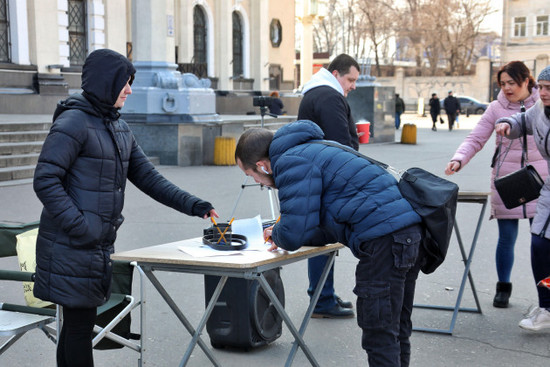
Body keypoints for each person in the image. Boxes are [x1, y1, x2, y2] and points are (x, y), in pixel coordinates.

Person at [32, 49, 218, 367]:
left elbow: (149, 178)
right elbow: (45, 180)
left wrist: (193, 205)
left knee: (77, 326)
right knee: (78, 327)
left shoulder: (117, 127)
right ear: (107, 83)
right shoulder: (74, 122)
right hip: (71, 244)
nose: (129, 90)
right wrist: (81, 226)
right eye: (125, 83)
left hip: (93, 245)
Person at [235, 120, 425, 366]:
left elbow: (293, 232)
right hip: (406, 234)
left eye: (251, 175)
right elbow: (325, 222)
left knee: (379, 332)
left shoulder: (290, 162)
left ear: (262, 166)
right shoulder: (315, 147)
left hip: (382, 241)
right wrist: (290, 234)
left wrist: (278, 234)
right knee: (395, 327)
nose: (257, 182)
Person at [445, 61, 546, 309]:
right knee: (506, 238)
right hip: (509, 181)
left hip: (542, 181)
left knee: (541, 243)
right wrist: (459, 159)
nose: (507, 88)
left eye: (512, 82)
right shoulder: (495, 108)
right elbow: (475, 137)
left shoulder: (543, 105)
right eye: (503, 83)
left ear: (526, 81)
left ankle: (544, 295)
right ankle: (504, 286)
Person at [297, 53, 360, 318]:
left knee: (323, 238)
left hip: (317, 175)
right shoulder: (330, 96)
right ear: (336, 75)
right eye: (350, 79)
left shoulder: (317, 92)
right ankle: (322, 300)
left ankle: (323, 295)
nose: (353, 86)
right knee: (324, 238)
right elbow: (339, 144)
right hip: (328, 178)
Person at [495, 65, 550, 331]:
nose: (544, 92)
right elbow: (523, 120)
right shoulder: (539, 109)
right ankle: (547, 306)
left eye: (549, 88)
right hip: (549, 189)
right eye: (541, 87)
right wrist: (508, 123)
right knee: (540, 247)